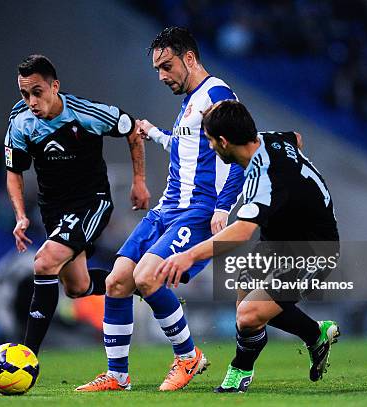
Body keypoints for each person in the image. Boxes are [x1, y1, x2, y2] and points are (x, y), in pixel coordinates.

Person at [76, 27, 244, 392]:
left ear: (189, 58)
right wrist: (154, 134)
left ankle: (188, 356)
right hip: (167, 208)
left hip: (198, 209)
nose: (162, 76)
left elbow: (240, 154)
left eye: (166, 66)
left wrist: (224, 206)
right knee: (117, 279)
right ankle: (118, 376)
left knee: (148, 276)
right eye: (157, 69)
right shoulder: (189, 103)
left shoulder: (216, 94)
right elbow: (188, 152)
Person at [157, 100, 341, 393]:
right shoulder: (269, 139)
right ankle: (315, 335)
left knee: (248, 315)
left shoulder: (265, 176)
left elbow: (242, 232)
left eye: (210, 140)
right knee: (245, 301)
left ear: (224, 141)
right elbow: (296, 137)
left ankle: (239, 372)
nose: (210, 147)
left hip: (314, 250)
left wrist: (186, 257)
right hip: (279, 241)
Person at [5, 54, 150, 355]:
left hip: (90, 202)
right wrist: (20, 215)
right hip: (53, 210)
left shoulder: (86, 113)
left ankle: (26, 356)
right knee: (77, 287)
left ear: (54, 86)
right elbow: (14, 172)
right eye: (24, 93)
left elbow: (133, 128)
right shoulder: (20, 123)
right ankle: (145, 280)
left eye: (37, 92)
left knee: (44, 262)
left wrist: (139, 181)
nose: (31, 101)